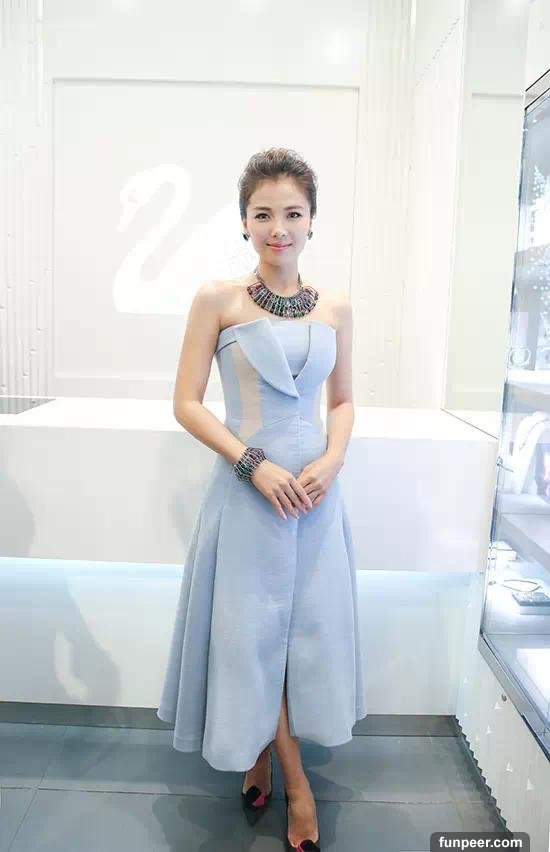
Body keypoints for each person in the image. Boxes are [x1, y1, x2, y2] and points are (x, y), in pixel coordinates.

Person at [157, 147, 366, 851]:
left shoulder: (335, 307)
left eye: (293, 214)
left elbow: (343, 401)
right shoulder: (217, 300)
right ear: (244, 222)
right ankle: (298, 786)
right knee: (251, 638)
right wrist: (252, 465)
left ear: (312, 221)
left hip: (315, 498)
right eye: (264, 214)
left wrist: (333, 459)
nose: (279, 228)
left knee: (303, 637)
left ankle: (260, 752)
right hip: (249, 497)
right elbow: (187, 403)